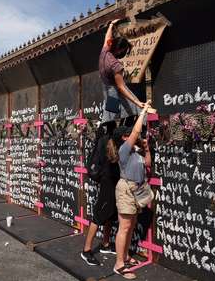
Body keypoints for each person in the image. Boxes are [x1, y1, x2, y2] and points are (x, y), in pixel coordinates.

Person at [113, 102, 151, 279]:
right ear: (124, 138)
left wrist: (146, 148)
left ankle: (126, 256)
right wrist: (143, 111)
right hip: (126, 190)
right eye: (130, 135)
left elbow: (148, 164)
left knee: (131, 225)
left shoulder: (135, 151)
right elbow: (136, 132)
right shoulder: (124, 149)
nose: (135, 135)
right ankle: (119, 264)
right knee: (125, 226)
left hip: (137, 190)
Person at [80, 132, 121, 266]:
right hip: (108, 181)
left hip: (113, 180)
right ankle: (86, 250)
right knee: (99, 214)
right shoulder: (108, 139)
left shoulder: (108, 137)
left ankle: (105, 243)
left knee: (110, 213)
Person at [99, 19, 146, 123]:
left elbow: (107, 37)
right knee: (137, 110)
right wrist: (137, 102)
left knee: (110, 118)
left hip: (107, 90)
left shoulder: (105, 51)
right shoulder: (115, 65)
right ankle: (133, 134)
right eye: (124, 51)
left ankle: (112, 134)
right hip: (114, 93)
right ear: (120, 50)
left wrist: (111, 25)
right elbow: (121, 87)